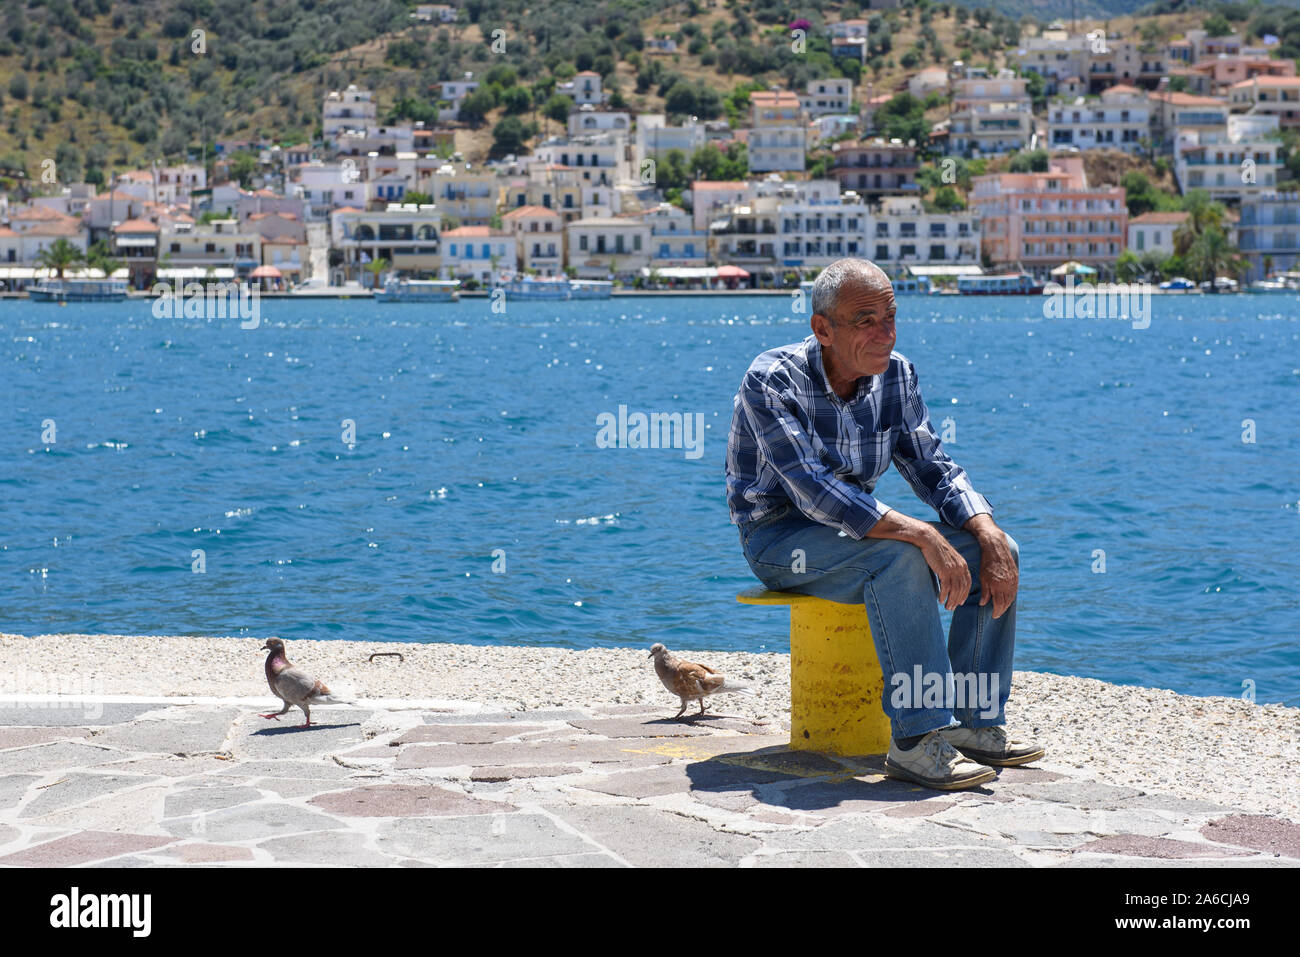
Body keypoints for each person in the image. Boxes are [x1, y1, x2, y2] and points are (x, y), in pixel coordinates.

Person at [726, 258, 1044, 790]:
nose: (885, 333)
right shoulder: (771, 379)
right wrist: (920, 534)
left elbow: (932, 466)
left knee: (1000, 546)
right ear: (822, 328)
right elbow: (813, 490)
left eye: (891, 317)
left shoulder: (895, 374)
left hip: (856, 533)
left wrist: (985, 530)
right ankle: (917, 741)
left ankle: (974, 722)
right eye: (866, 320)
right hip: (779, 537)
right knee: (900, 558)